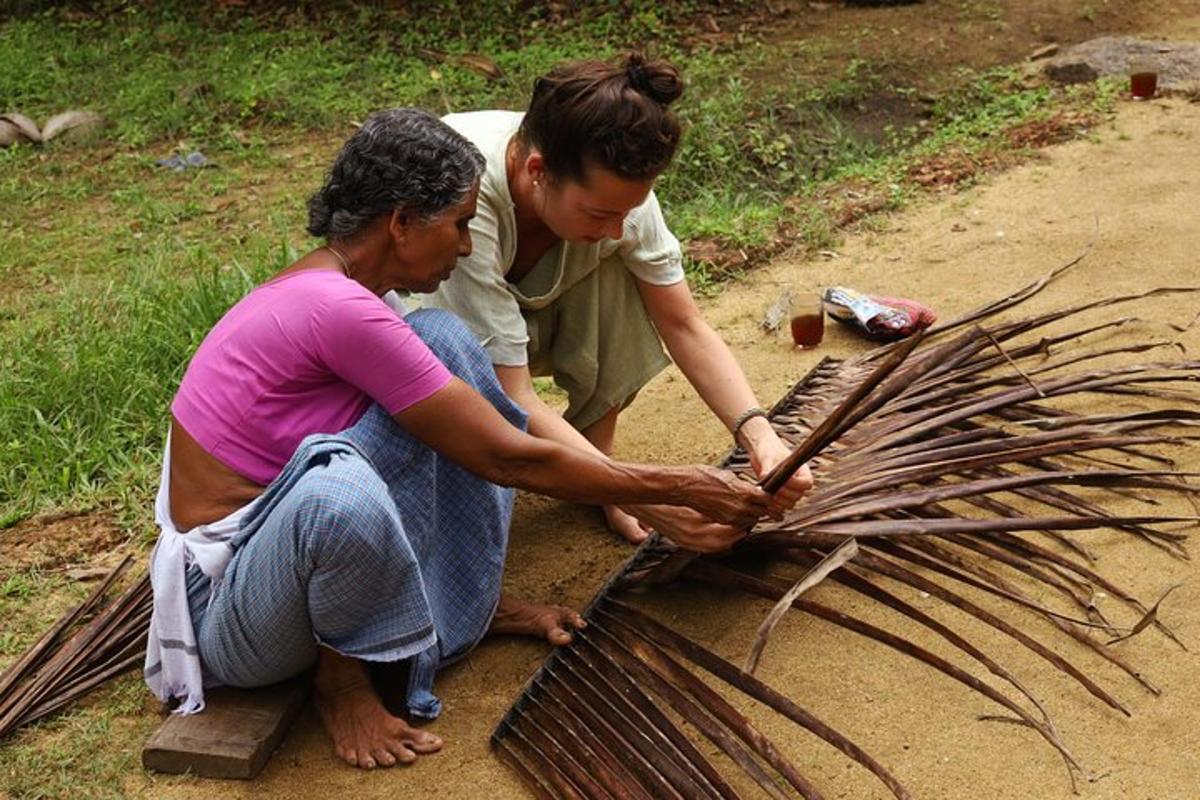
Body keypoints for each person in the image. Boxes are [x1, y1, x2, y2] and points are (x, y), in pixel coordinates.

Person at [144, 108, 780, 772]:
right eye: (457, 225)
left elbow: (479, 430)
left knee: (447, 344)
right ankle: (342, 685)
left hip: (276, 561)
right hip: (229, 614)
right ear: (400, 223)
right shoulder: (336, 308)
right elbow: (504, 455)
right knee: (339, 494)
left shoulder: (346, 290)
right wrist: (674, 487)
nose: (468, 246)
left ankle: (462, 607)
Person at [418, 53, 814, 544]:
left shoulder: (614, 194)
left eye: (628, 209)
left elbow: (683, 324)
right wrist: (644, 496)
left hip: (529, 319)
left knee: (618, 264)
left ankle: (593, 456)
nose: (618, 226)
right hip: (436, 353)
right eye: (600, 212)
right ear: (538, 170)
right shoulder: (466, 199)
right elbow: (509, 394)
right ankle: (600, 478)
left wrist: (762, 437)